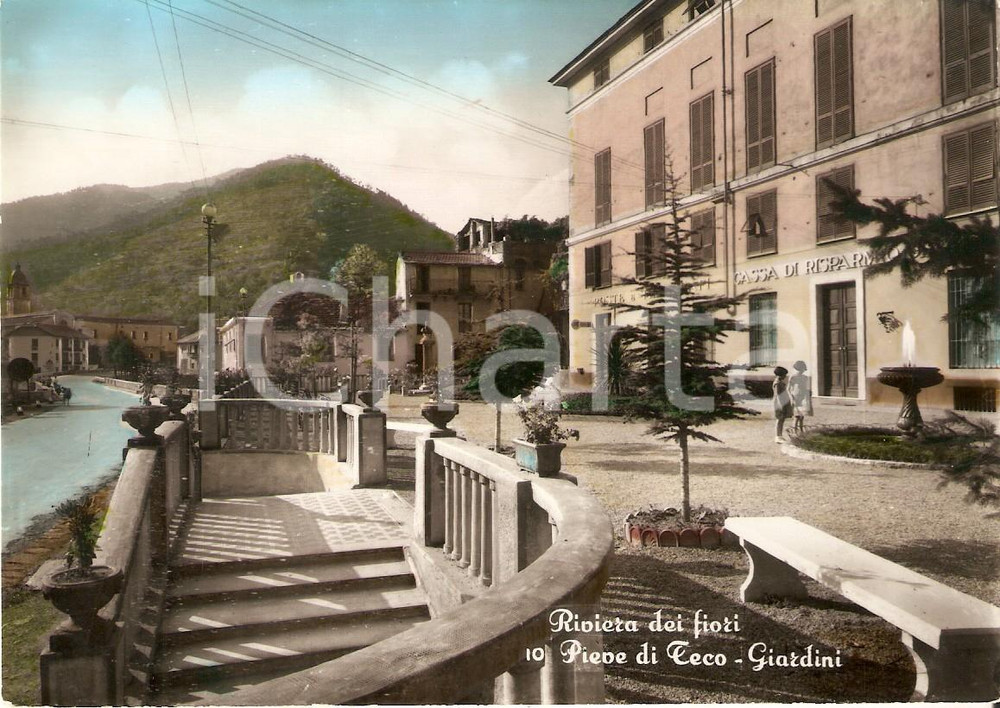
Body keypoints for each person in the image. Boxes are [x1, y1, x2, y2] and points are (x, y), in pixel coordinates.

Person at [788, 360, 813, 433]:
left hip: (803, 397)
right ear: (797, 369)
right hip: (796, 397)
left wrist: (808, 395)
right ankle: (794, 431)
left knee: (802, 416)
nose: (802, 371)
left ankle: (801, 431)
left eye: (803, 369)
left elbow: (806, 388)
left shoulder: (805, 377)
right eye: (800, 369)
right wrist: (792, 398)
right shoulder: (793, 377)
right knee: (796, 416)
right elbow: (788, 389)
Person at [772, 366, 792, 443]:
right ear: (780, 375)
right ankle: (777, 436)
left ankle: (780, 435)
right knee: (779, 419)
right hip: (779, 403)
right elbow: (777, 395)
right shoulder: (777, 383)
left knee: (782, 419)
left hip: (783, 402)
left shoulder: (781, 382)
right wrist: (781, 405)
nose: (785, 376)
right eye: (784, 375)